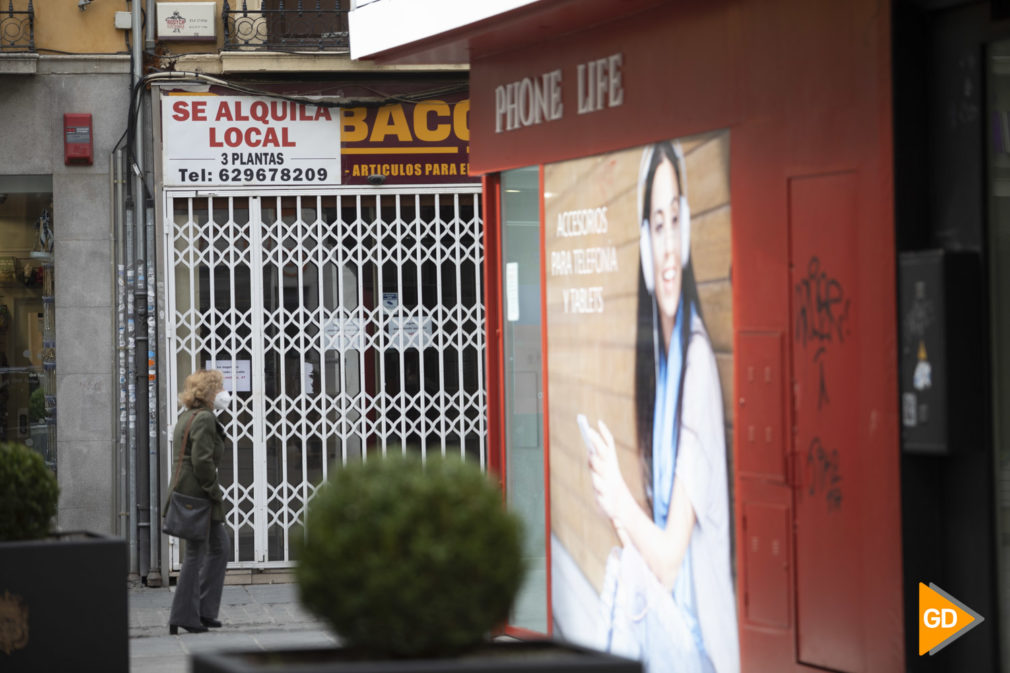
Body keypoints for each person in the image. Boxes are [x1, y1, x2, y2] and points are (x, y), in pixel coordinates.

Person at [583, 141, 739, 673]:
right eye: (656, 224)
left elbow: (670, 562)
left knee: (624, 576)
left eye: (676, 221)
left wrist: (618, 501)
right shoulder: (662, 362)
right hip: (674, 625)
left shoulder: (694, 364)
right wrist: (618, 512)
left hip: (702, 647)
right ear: (645, 245)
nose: (668, 246)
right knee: (622, 569)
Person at [167, 369, 232, 635]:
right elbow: (202, 461)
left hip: (190, 493)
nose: (222, 394)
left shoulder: (187, 416)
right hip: (198, 495)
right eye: (218, 389)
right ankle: (183, 615)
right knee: (197, 554)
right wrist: (214, 491)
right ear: (207, 394)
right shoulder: (204, 418)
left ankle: (203, 610)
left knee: (219, 547)